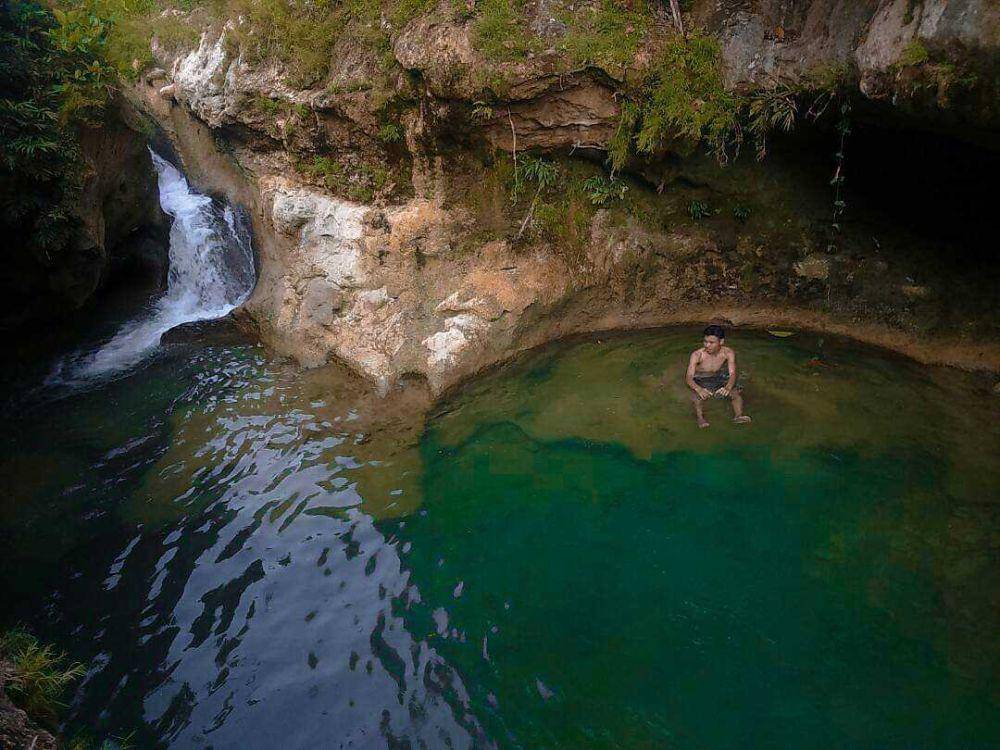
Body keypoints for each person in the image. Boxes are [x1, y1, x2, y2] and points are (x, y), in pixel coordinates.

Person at [685, 324, 751, 428]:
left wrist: (728, 387)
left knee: (735, 394)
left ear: (721, 342)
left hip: (718, 377)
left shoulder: (728, 353)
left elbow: (732, 373)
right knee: (697, 398)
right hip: (701, 379)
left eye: (711, 342)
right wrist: (699, 389)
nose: (707, 345)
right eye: (705, 342)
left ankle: (738, 416)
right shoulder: (697, 355)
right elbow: (689, 377)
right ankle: (700, 418)